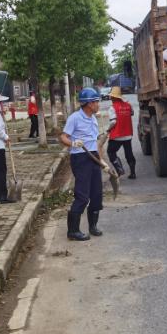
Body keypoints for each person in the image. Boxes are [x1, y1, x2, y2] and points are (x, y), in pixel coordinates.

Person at [59, 87, 105, 241]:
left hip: (93, 157)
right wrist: (73, 143)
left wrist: (101, 159)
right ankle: (72, 231)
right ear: (89, 103)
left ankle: (93, 226)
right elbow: (63, 137)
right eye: (96, 101)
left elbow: (96, 141)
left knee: (96, 194)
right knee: (82, 195)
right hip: (80, 158)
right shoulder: (75, 118)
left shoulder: (93, 117)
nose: (98, 104)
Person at [107, 87, 137, 180]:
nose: (110, 99)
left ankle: (119, 170)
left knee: (111, 152)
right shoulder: (128, 105)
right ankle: (133, 173)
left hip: (117, 135)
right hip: (128, 134)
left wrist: (108, 130)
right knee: (129, 153)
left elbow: (113, 122)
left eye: (111, 97)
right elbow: (132, 113)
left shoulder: (112, 108)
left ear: (113, 98)